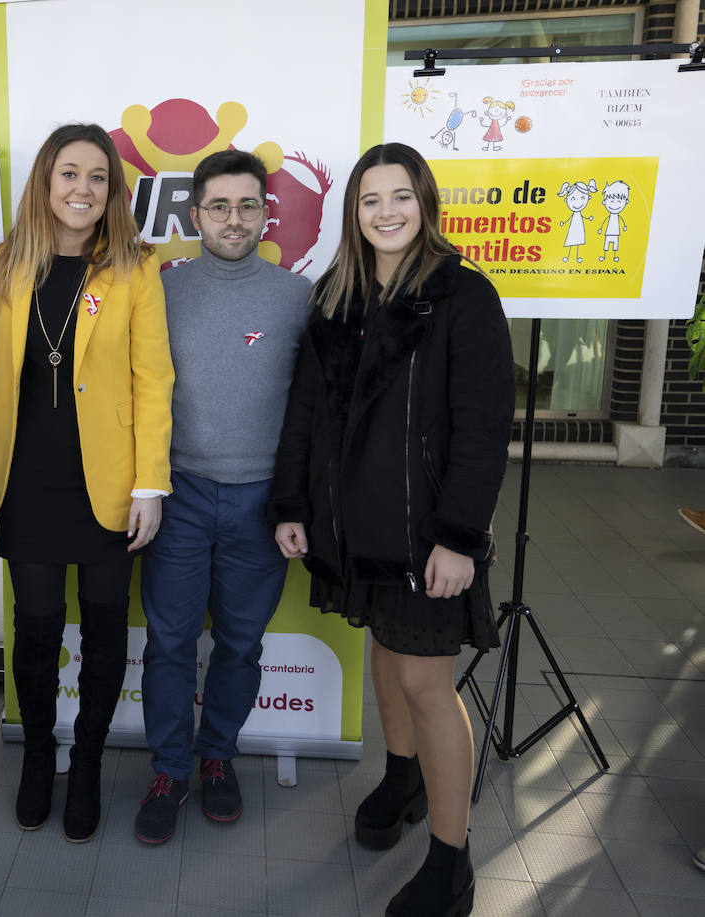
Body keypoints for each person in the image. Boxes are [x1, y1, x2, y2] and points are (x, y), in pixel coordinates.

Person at [266, 142, 514, 917]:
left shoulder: (463, 296)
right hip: (353, 527)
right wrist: (292, 505)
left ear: (425, 202)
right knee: (383, 650)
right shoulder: (337, 298)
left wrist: (459, 535)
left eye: (400, 196)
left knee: (426, 681)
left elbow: (481, 427)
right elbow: (305, 413)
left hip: (426, 534)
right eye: (371, 199)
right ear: (354, 211)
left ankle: (452, 859)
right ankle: (402, 776)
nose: (386, 212)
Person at [0, 123, 174, 843]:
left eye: (97, 178)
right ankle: (39, 756)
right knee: (39, 626)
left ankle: (85, 762)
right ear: (45, 183)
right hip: (27, 477)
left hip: (109, 481)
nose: (82, 189)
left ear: (112, 191)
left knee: (107, 623)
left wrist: (151, 484)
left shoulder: (136, 267)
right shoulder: (10, 260)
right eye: (68, 174)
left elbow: (153, 381)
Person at [134, 150, 311, 845]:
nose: (233, 219)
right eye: (218, 206)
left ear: (266, 213)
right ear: (193, 213)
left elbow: (311, 410)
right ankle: (170, 769)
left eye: (247, 206)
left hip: (261, 501)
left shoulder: (297, 296)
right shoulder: (161, 289)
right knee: (170, 644)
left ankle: (216, 757)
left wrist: (298, 501)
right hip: (177, 494)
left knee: (240, 643)